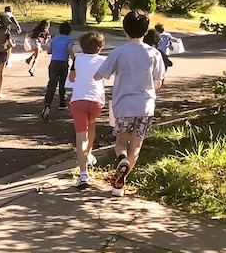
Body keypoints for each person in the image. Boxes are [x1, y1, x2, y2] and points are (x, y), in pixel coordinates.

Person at [94, 10, 166, 197]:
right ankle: (120, 184)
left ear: (124, 29)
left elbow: (100, 74)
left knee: (120, 142)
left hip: (123, 105)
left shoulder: (119, 52)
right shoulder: (154, 53)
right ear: (145, 31)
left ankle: (121, 159)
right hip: (146, 105)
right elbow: (157, 83)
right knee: (136, 145)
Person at [67, 31, 107, 189]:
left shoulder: (77, 59)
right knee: (91, 124)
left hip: (78, 100)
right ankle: (89, 154)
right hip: (97, 100)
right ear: (100, 47)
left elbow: (71, 79)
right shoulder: (104, 60)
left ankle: (83, 174)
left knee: (80, 136)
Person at [41, 21, 76, 120]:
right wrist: (74, 59)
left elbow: (49, 51)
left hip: (54, 63)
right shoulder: (69, 40)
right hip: (63, 63)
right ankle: (62, 102)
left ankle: (47, 104)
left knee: (52, 83)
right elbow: (69, 50)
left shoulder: (55, 39)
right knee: (62, 83)